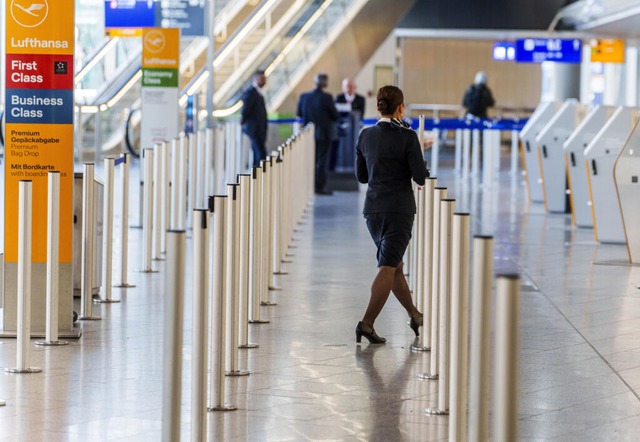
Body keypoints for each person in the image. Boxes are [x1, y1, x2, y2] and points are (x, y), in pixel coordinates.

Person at [354, 85, 428, 344]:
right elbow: (420, 176)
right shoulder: (408, 137)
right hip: (399, 210)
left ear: (378, 107)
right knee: (388, 266)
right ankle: (367, 323)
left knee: (395, 265)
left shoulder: (364, 136)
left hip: (372, 210)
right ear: (400, 108)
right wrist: (420, 152)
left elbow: (362, 176)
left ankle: (415, 315)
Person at [297, 73, 338, 195]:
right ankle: (319, 186)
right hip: (323, 134)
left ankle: (307, 185)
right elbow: (335, 115)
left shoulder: (304, 97)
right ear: (325, 83)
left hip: (307, 134)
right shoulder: (327, 97)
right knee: (321, 161)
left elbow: (299, 113)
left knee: (309, 160)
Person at [331, 78, 366, 171]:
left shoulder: (360, 99)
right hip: (341, 131)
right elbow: (335, 113)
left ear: (355, 87)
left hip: (354, 131)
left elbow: (361, 115)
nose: (349, 89)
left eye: (351, 86)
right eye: (347, 87)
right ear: (343, 88)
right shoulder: (339, 98)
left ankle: (354, 166)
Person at [241, 70, 268, 167]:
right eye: (262, 78)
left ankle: (257, 176)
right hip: (254, 129)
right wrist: (243, 120)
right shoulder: (251, 93)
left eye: (265, 78)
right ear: (255, 79)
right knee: (260, 154)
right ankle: (257, 177)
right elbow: (245, 110)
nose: (264, 81)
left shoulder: (259, 93)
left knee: (259, 154)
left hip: (259, 129)